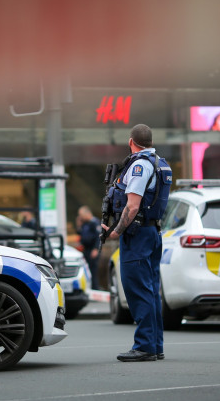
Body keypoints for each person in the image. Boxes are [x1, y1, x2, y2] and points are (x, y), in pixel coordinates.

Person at [101, 124, 172, 362]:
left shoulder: (140, 165)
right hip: (151, 233)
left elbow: (132, 205)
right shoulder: (160, 163)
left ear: (131, 141)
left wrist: (115, 231)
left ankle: (144, 346)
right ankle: (154, 345)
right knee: (150, 291)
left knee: (138, 290)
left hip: (138, 236)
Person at [75, 205, 100, 290]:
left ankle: (95, 288)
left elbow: (98, 237)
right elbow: (80, 234)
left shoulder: (95, 222)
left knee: (93, 270)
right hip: (86, 249)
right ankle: (89, 288)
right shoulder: (84, 223)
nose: (80, 217)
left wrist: (96, 249)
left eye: (81, 215)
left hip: (93, 249)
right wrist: (78, 225)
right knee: (87, 270)